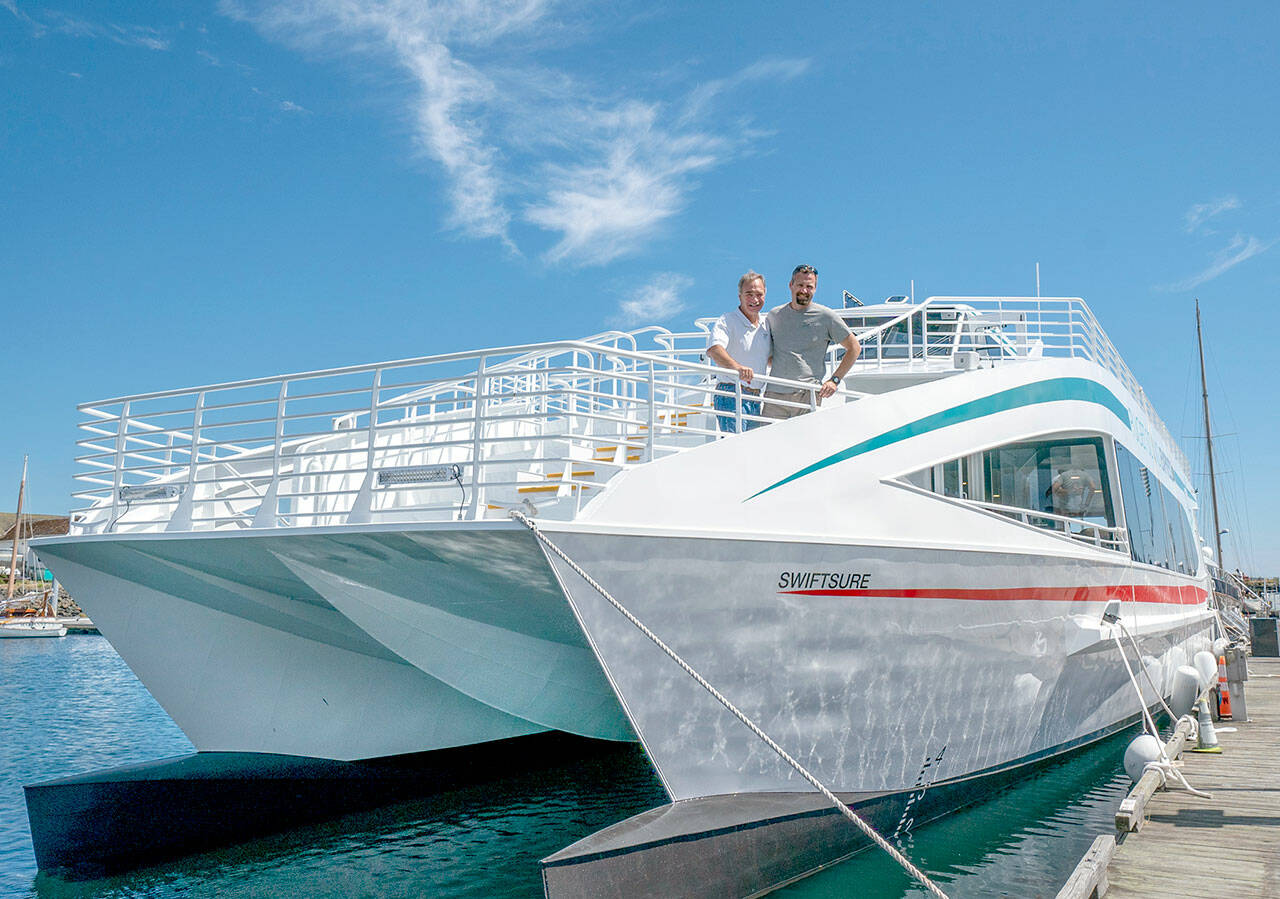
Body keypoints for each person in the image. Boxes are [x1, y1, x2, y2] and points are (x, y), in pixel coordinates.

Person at [762, 264, 860, 419]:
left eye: (810, 286)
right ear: (791, 285)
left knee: (803, 442)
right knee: (768, 441)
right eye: (800, 285)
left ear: (815, 288)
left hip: (808, 395)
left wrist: (834, 380)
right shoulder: (774, 316)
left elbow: (854, 348)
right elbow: (768, 354)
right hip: (774, 395)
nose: (804, 290)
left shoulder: (826, 316)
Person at [707, 271, 770, 432]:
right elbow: (715, 350)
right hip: (732, 394)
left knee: (750, 452)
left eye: (759, 294)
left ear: (765, 294)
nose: (755, 299)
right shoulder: (728, 320)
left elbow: (769, 358)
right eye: (749, 294)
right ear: (740, 296)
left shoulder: (766, 324)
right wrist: (738, 368)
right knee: (736, 449)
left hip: (756, 397)